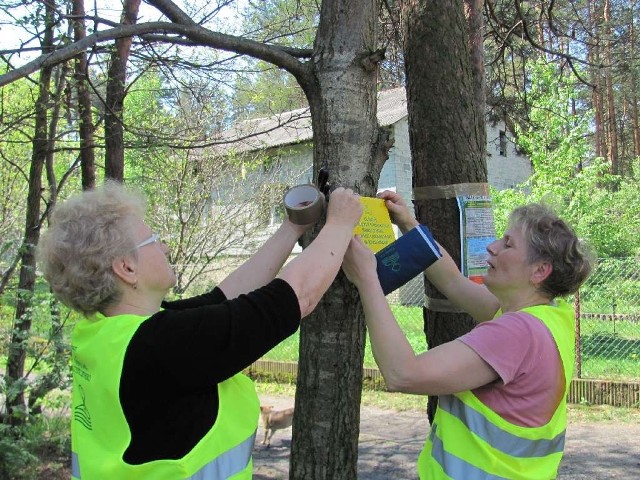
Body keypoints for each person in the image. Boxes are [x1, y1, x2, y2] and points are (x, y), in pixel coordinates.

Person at [37, 180, 362, 480]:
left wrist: (293, 227)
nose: (164, 248)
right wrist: (340, 224)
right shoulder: (160, 347)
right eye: (153, 239)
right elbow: (295, 298)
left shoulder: (109, 337)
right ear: (126, 267)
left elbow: (223, 300)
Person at [342, 190, 594, 480]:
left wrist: (366, 278)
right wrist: (410, 227)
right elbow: (453, 282)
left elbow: (403, 373)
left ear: (539, 270)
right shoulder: (547, 317)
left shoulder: (516, 333)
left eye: (508, 244)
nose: (492, 247)